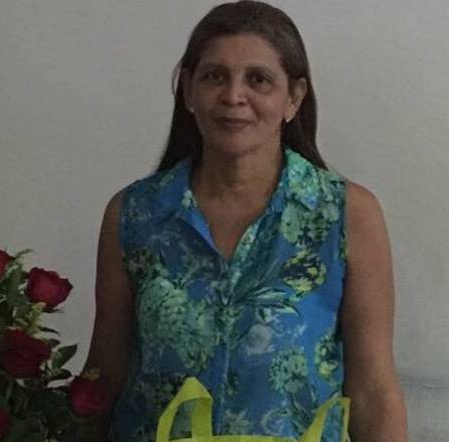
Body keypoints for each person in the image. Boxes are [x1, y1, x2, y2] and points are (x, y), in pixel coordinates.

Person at [84, 2, 407, 441]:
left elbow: (373, 392)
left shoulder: (344, 215)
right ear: (188, 91)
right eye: (214, 76)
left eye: (258, 79)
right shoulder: (136, 215)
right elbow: (103, 379)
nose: (234, 96)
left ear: (293, 97)